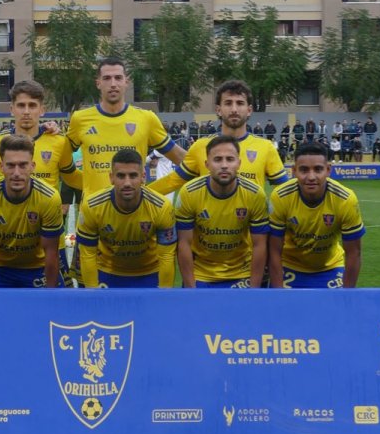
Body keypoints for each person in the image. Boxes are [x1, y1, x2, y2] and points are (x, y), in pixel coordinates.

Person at [0, 79, 81, 281]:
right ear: (11, 109)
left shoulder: (59, 142)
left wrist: (105, 183)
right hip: (5, 243)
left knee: (55, 307)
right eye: (21, 105)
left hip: (50, 241)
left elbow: (73, 178)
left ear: (42, 110)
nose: (26, 111)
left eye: (32, 106)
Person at [65, 58, 185, 199]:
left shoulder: (147, 118)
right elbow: (61, 162)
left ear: (126, 82)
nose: (113, 84)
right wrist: (88, 185)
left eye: (118, 78)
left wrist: (154, 191)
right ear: (98, 83)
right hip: (94, 213)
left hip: (134, 209)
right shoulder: (80, 119)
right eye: (107, 78)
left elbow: (183, 160)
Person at [150, 79, 286, 199]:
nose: (234, 109)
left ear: (249, 110)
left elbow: (286, 191)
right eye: (228, 103)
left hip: (252, 227)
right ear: (218, 109)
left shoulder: (266, 147)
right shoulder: (200, 146)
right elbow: (172, 181)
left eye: (240, 103)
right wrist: (139, 194)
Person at [174, 135, 268, 288]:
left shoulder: (255, 194)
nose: (224, 165)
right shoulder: (189, 193)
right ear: (207, 164)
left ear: (239, 163)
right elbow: (184, 243)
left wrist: (254, 291)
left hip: (242, 273)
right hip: (201, 273)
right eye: (217, 160)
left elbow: (260, 245)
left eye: (230, 159)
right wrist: (191, 290)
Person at [268, 142, 364, 290]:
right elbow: (274, 250)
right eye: (304, 170)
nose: (311, 176)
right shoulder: (280, 197)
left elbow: (354, 253)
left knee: (333, 312)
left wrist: (347, 295)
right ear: (294, 171)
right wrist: (278, 294)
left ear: (328, 170)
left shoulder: (345, 200)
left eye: (318, 169)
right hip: (290, 265)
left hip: (330, 267)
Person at [0, 135, 63, 288]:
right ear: (1, 167)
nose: (16, 173)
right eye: (11, 165)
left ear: (33, 166)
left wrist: (50, 296)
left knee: (55, 308)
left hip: (37, 268)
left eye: (23, 165)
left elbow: (51, 252)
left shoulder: (49, 198)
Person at [75, 148, 177, 288]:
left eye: (133, 175)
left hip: (150, 273)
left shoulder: (162, 207)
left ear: (143, 177)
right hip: (107, 271)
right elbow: (87, 255)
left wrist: (164, 295)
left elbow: (167, 256)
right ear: (111, 177)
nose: (127, 183)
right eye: (121, 176)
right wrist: (93, 295)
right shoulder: (92, 206)